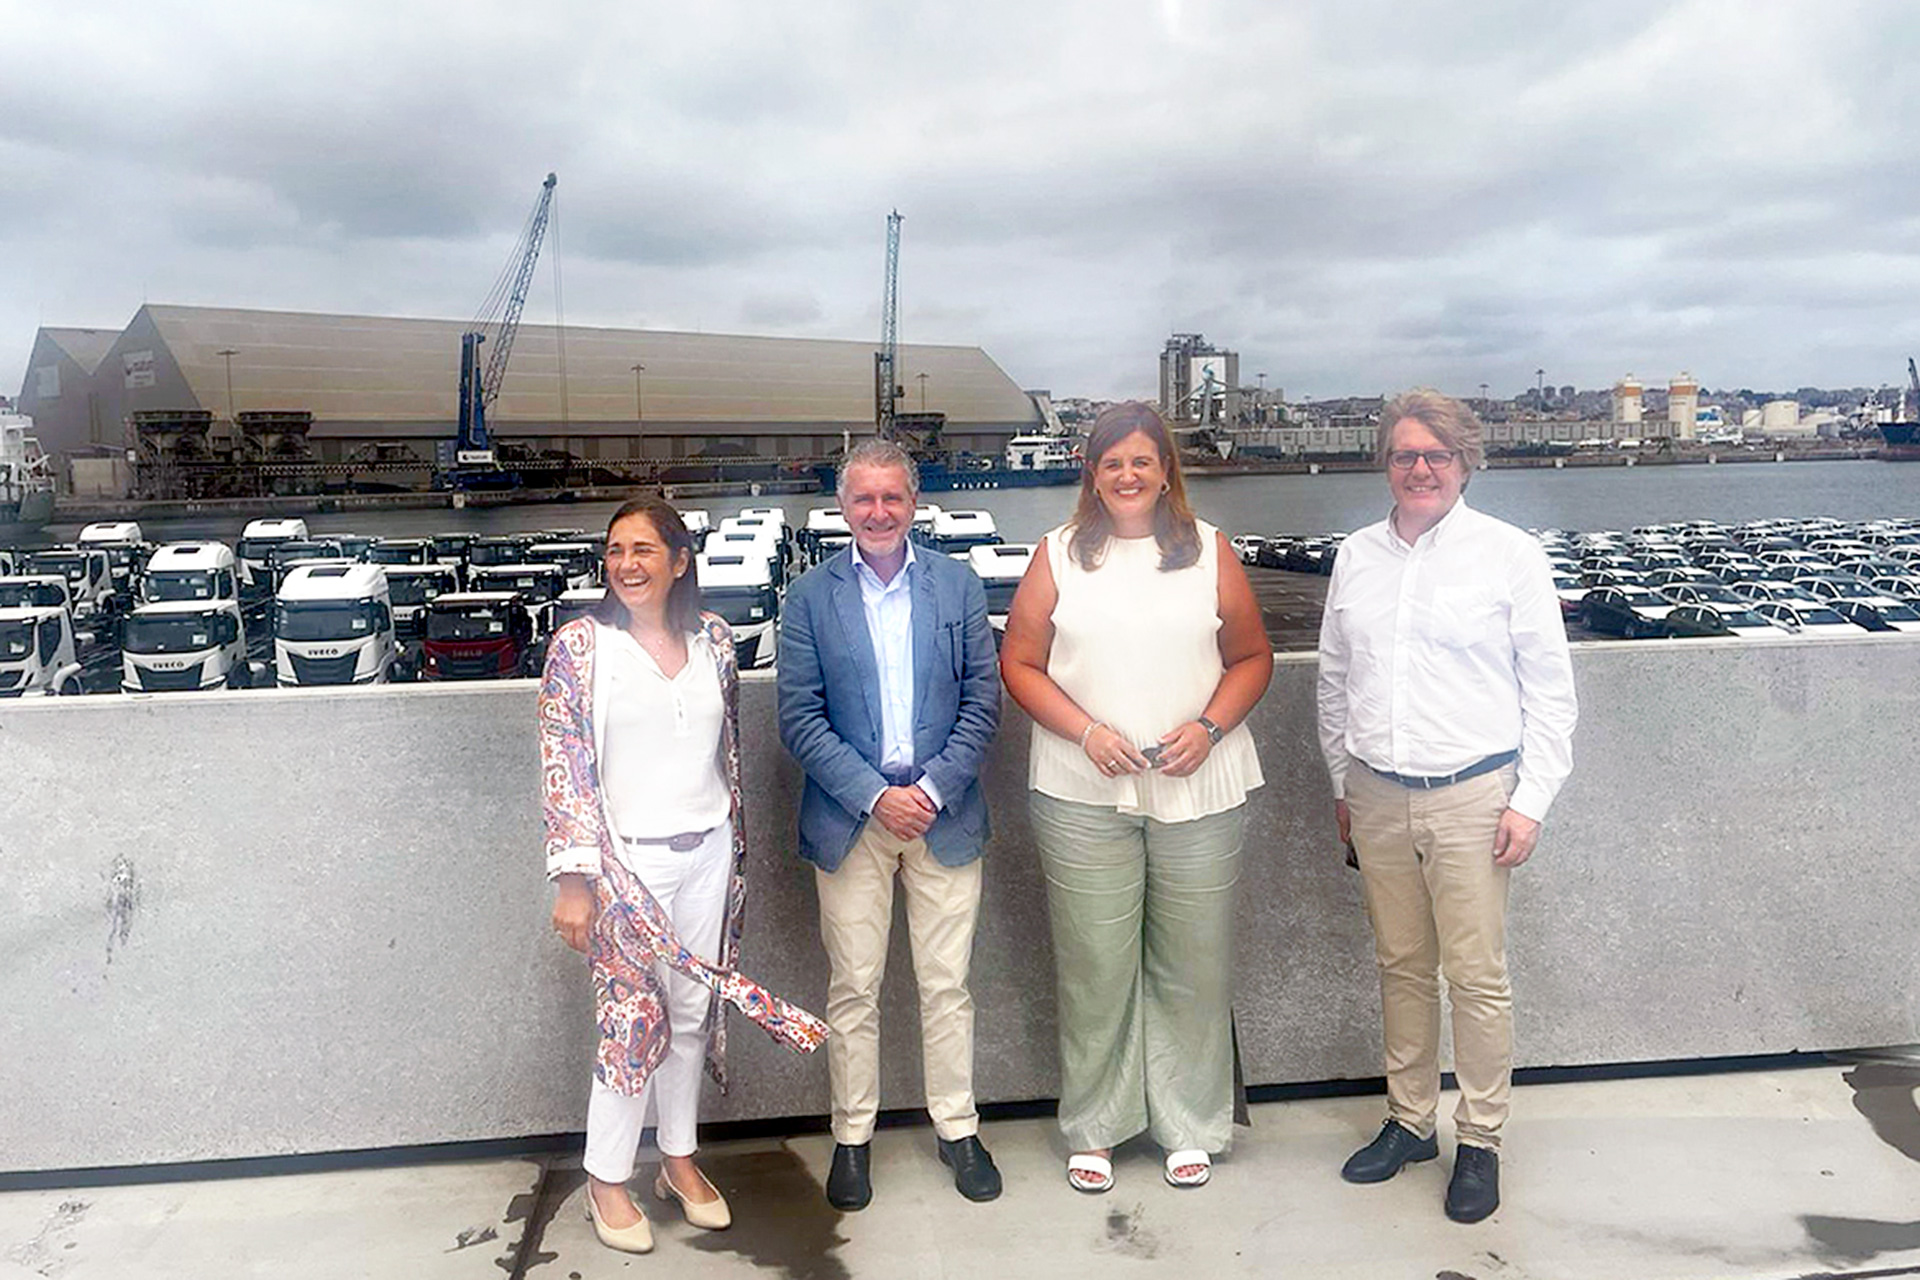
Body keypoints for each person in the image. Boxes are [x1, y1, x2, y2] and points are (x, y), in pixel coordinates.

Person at [541, 496, 828, 1256]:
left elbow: (725, 749)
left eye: (643, 550)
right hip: (623, 865)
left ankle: (677, 1156)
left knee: (694, 1012)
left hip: (707, 853)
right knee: (631, 1021)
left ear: (680, 561)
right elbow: (565, 766)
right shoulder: (582, 646)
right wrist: (575, 879)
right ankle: (607, 1174)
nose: (626, 565)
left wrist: (733, 849)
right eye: (615, 551)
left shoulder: (715, 640)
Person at [1316, 390, 1578, 1224]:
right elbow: (1333, 682)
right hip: (1376, 793)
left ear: (1466, 463)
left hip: (1474, 796)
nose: (1420, 468)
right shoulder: (1357, 556)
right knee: (1400, 967)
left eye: (1437, 455)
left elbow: (1552, 693)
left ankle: (1483, 1140)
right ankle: (1408, 1120)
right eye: (1404, 455)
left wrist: (1529, 801)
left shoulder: (1510, 555)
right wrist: (1340, 786)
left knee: (1476, 978)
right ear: (1384, 464)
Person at [1000, 401, 1273, 1194]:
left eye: (1142, 461)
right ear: (1092, 472)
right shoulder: (1056, 555)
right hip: (1082, 790)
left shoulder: (1209, 551)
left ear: (1165, 472)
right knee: (1094, 965)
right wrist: (1085, 732)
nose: (1128, 475)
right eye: (1112, 461)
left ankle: (1189, 1121)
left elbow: (1252, 657)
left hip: (1202, 787)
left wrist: (1211, 728)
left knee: (1194, 963)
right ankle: (1097, 1123)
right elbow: (1020, 663)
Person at [777, 439, 1003, 1210]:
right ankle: (852, 1139)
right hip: (852, 820)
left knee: (947, 985)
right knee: (855, 987)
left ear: (914, 503)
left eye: (892, 498)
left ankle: (958, 1128)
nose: (879, 512)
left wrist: (932, 790)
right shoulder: (808, 598)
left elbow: (984, 703)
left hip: (944, 814)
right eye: (863, 499)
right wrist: (876, 796)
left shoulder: (958, 586)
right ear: (844, 508)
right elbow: (800, 719)